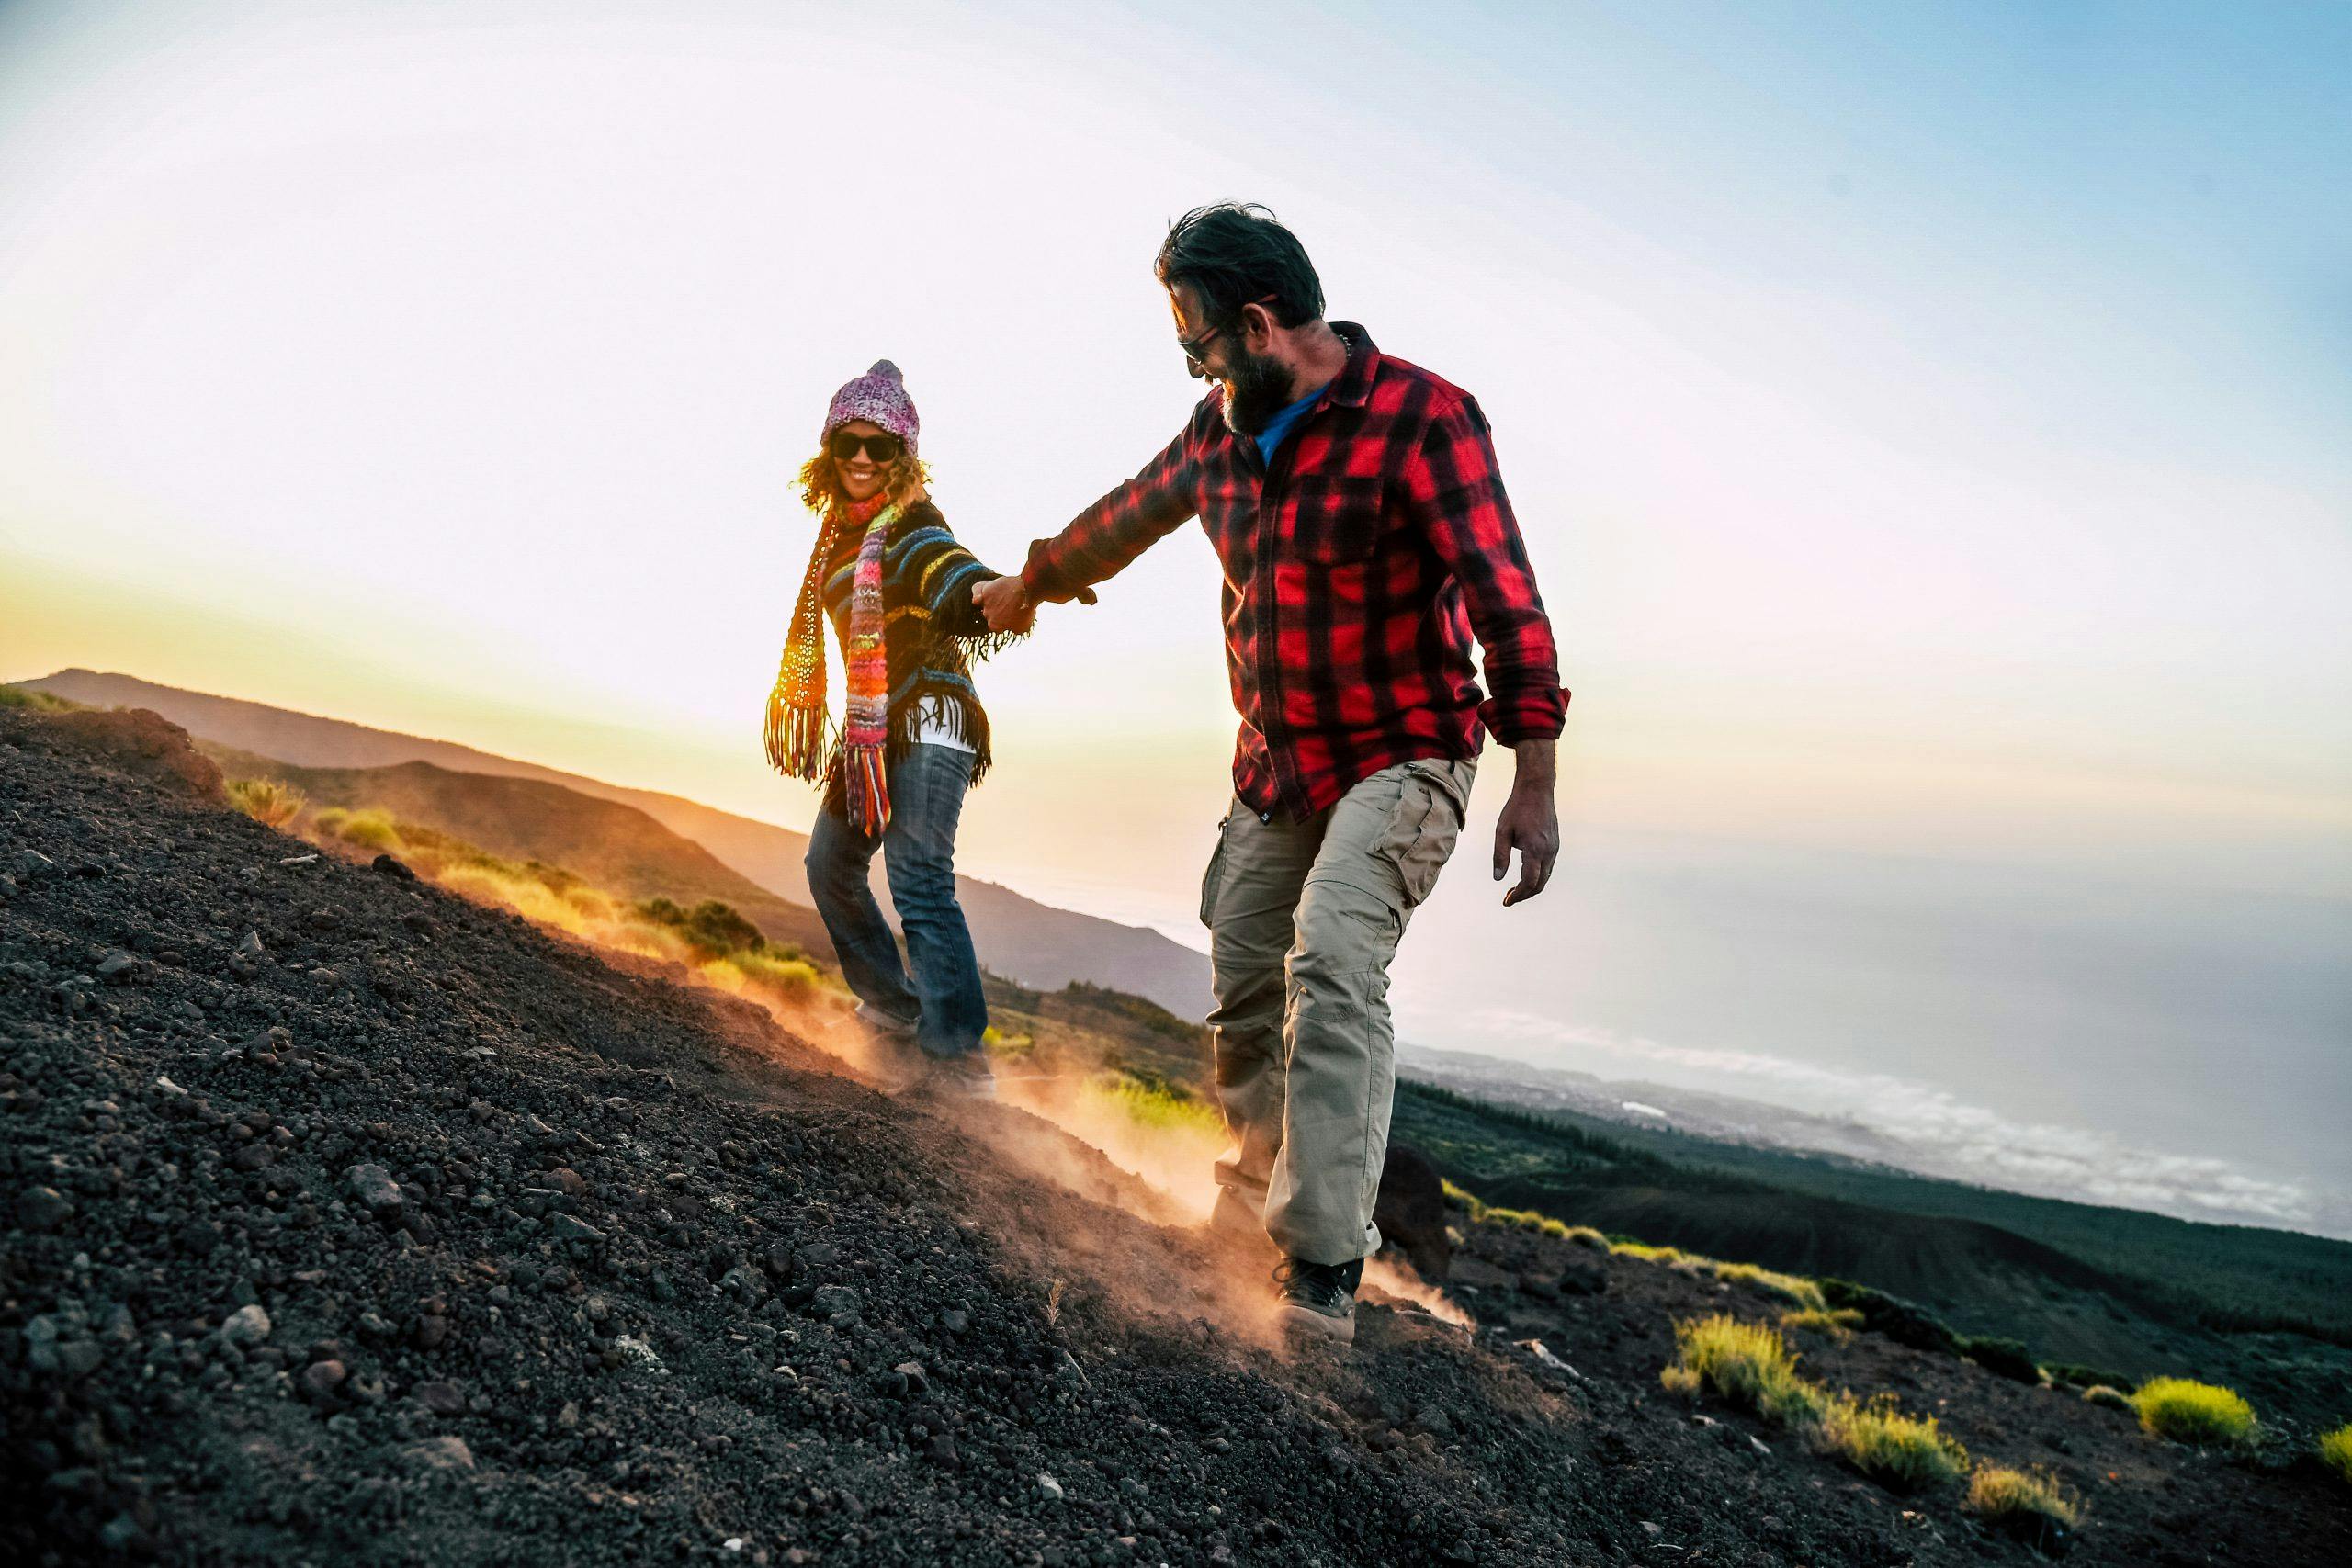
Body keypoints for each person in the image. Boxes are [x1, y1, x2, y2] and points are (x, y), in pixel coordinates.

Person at [976, 205, 1568, 1341]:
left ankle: (1320, 1268)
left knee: (1335, 965)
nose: (1192, 367)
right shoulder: (1217, 435)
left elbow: (1507, 603)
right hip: (1275, 768)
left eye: (1196, 344)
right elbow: (1122, 519)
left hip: (1406, 752)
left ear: (1256, 326)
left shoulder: (1423, 420)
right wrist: (1028, 586)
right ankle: (1248, 1206)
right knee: (1247, 989)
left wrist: (1532, 781)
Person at [768, 359, 1025, 1098]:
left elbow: (947, 569)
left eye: (878, 446)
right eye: (847, 441)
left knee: (918, 879)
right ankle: (890, 1011)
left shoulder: (911, 522)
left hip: (933, 719)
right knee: (829, 863)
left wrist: (987, 591)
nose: (860, 457)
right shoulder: (838, 539)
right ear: (828, 449)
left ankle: (956, 1063)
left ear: (902, 457)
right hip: (874, 733)